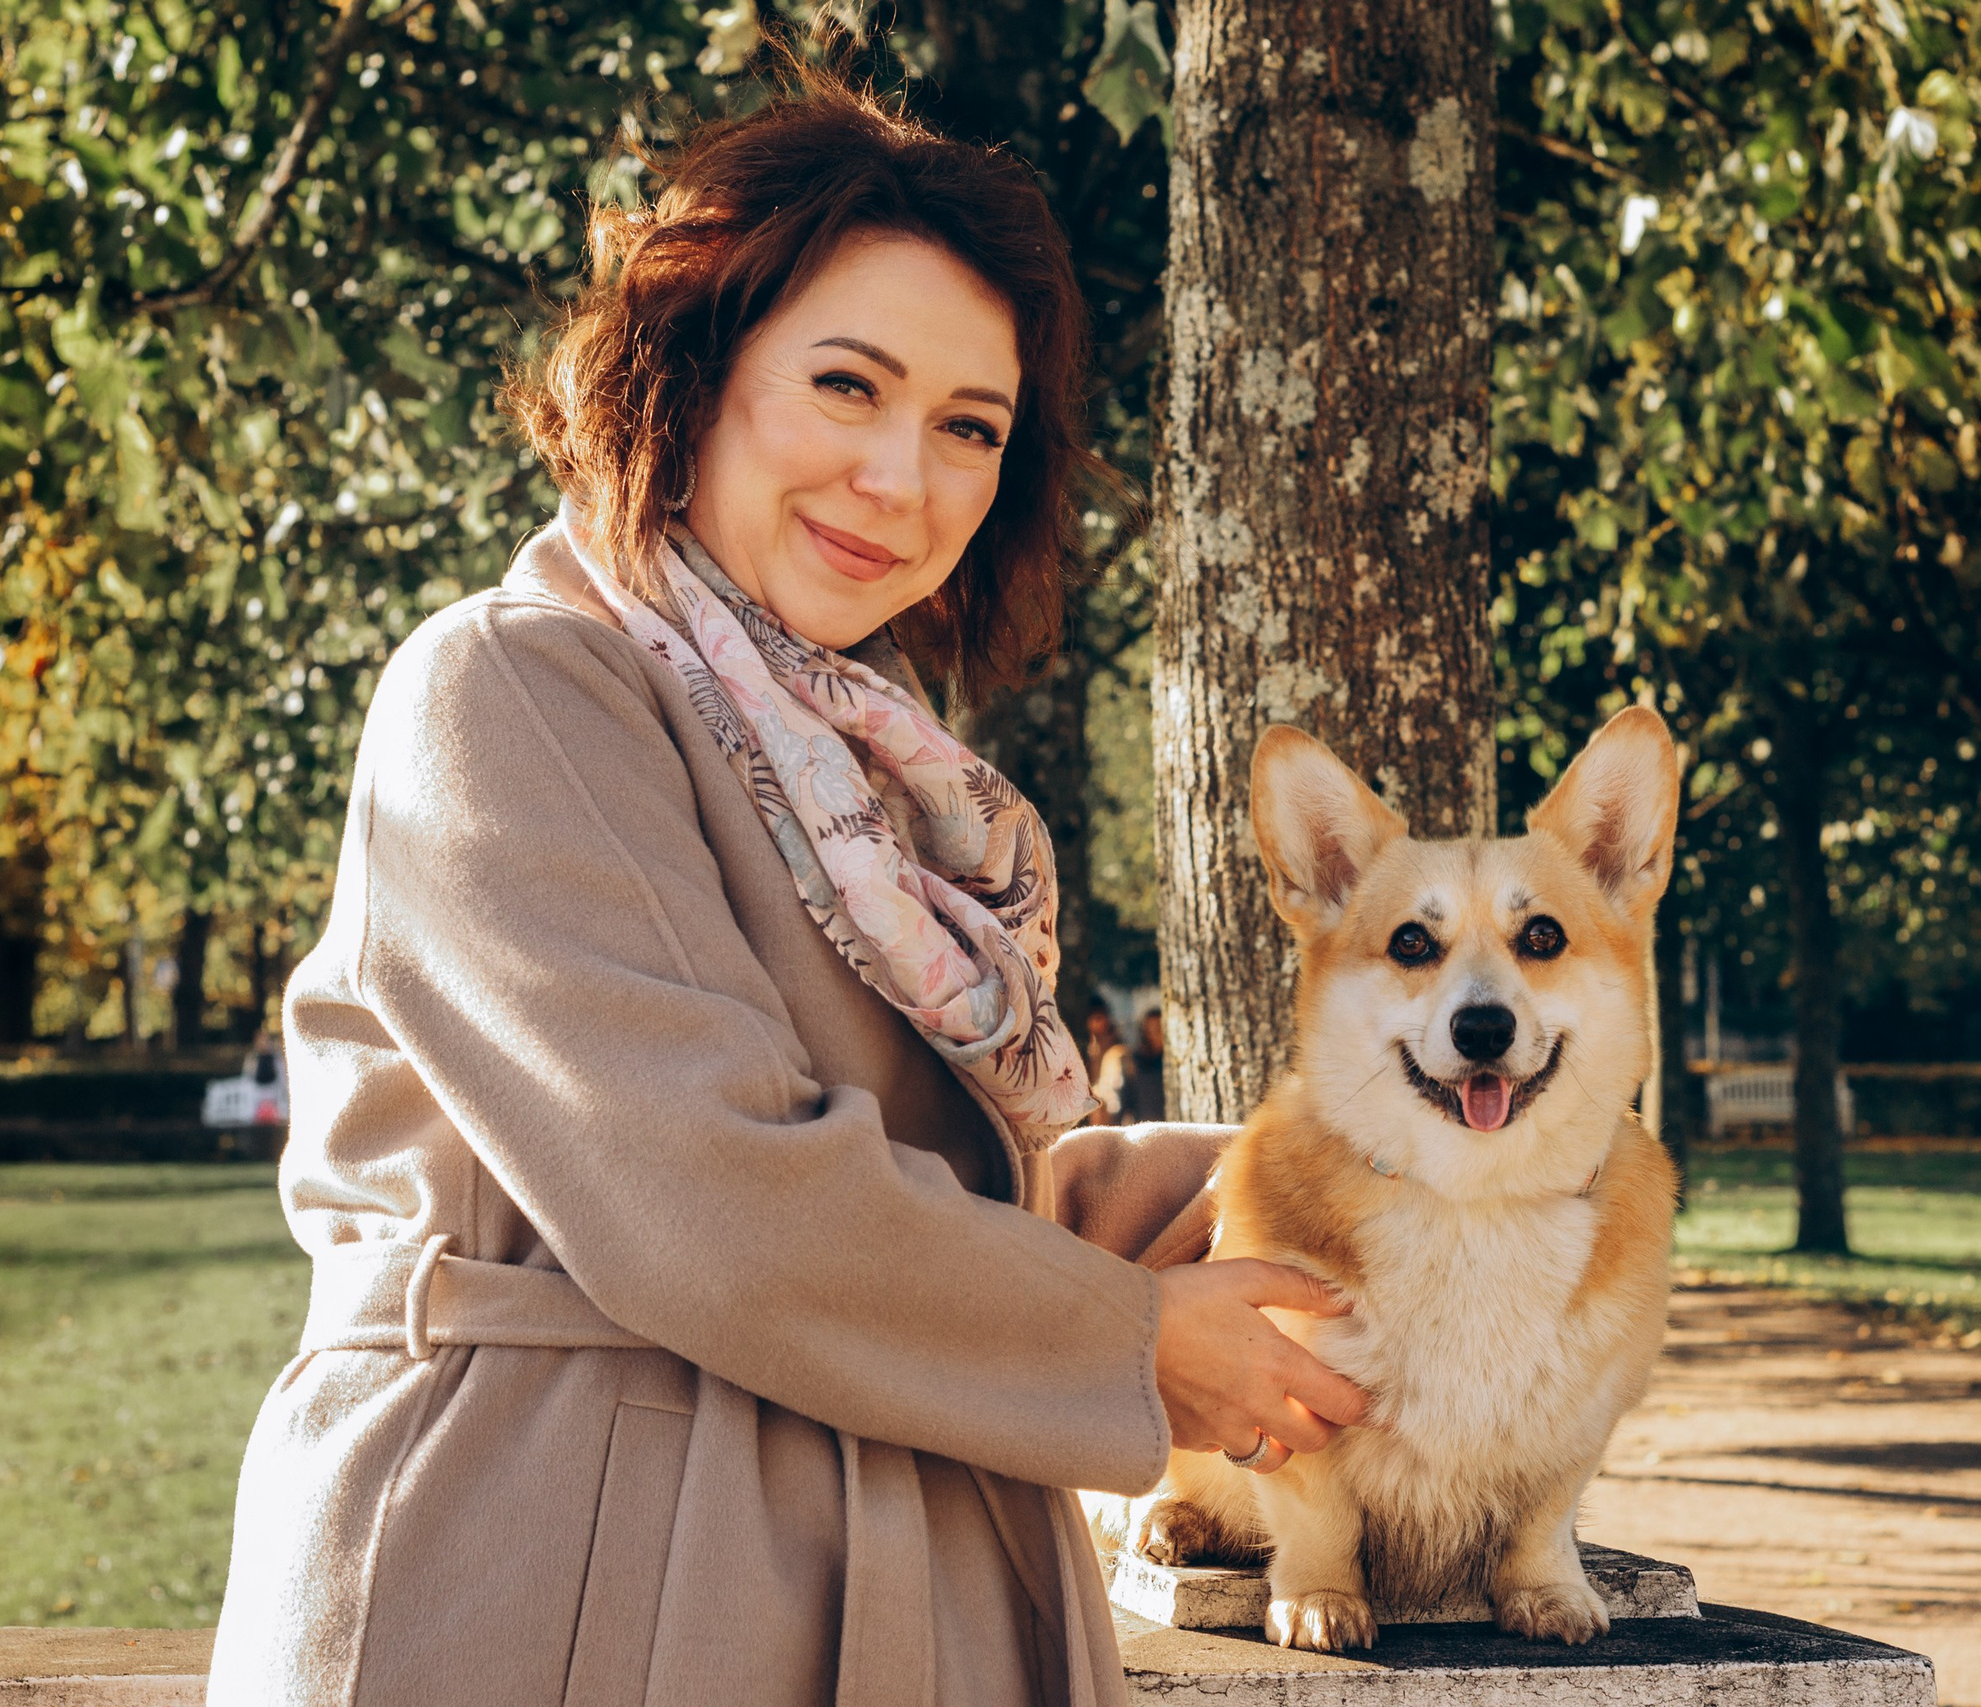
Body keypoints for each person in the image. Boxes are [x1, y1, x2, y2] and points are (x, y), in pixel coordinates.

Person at [206, 58, 1367, 1707]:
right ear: (690, 366)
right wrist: (1131, 1341)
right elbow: (719, 1200)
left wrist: (1331, 1181)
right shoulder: (509, 690)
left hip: (883, 1575)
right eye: (848, 385)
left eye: (972, 426)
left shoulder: (880, 775)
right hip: (550, 1594)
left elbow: (919, 1187)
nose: (905, 479)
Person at [1115, 1005, 1168, 1123]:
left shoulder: (1172, 1063)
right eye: (1150, 1031)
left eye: (1159, 1029)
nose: (1155, 1035)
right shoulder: (1134, 1063)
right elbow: (1124, 1102)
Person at [1083, 996, 1128, 1120]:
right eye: (1094, 1018)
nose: (1098, 1022)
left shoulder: (1117, 1046)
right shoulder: (1084, 1046)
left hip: (1111, 1105)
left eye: (1100, 1017)